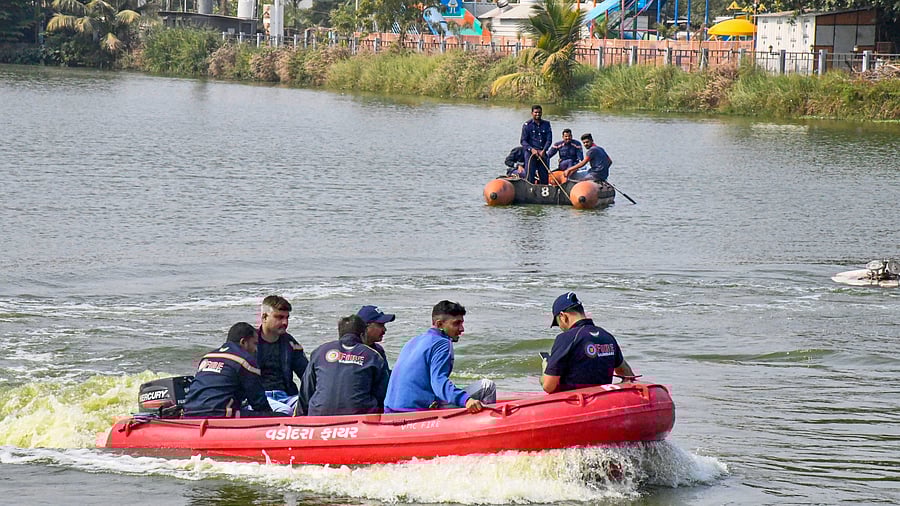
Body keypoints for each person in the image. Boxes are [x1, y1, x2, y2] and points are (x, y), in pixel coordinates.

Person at [384, 300, 496, 413]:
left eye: (462, 323)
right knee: (487, 386)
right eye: (456, 323)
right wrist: (466, 400)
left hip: (392, 410)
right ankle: (488, 423)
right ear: (439, 324)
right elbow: (438, 382)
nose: (462, 329)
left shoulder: (413, 341)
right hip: (416, 411)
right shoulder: (442, 343)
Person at [541, 292, 635, 394]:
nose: (560, 327)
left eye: (558, 323)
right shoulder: (607, 336)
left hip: (575, 404)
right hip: (604, 399)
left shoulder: (566, 338)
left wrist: (545, 368)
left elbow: (548, 386)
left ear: (563, 316)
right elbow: (627, 374)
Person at [183, 322, 281, 418]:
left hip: (190, 412)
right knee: (281, 416)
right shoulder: (245, 360)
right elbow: (258, 402)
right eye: (255, 344)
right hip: (219, 414)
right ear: (243, 342)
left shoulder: (207, 357)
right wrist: (272, 417)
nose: (256, 349)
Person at [300, 315, 390, 416]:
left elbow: (306, 391)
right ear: (363, 335)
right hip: (359, 417)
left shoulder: (320, 351)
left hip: (318, 415)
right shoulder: (373, 356)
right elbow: (383, 394)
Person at [256, 295, 308, 415]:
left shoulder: (291, 344)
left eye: (287, 318)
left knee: (312, 405)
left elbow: (307, 375)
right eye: (279, 317)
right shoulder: (249, 343)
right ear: (264, 317)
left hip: (287, 396)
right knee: (285, 411)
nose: (285, 322)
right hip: (259, 397)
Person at [357, 305, 396, 373]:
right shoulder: (348, 351)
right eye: (380, 325)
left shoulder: (378, 351)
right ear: (366, 326)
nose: (384, 330)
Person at [520, 104, 552, 184]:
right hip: (531, 154)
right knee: (530, 175)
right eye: (536, 112)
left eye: (539, 112)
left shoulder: (546, 124)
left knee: (544, 175)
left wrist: (544, 150)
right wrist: (531, 149)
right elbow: (523, 141)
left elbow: (549, 139)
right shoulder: (527, 125)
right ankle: (529, 192)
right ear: (532, 113)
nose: (538, 114)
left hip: (542, 153)